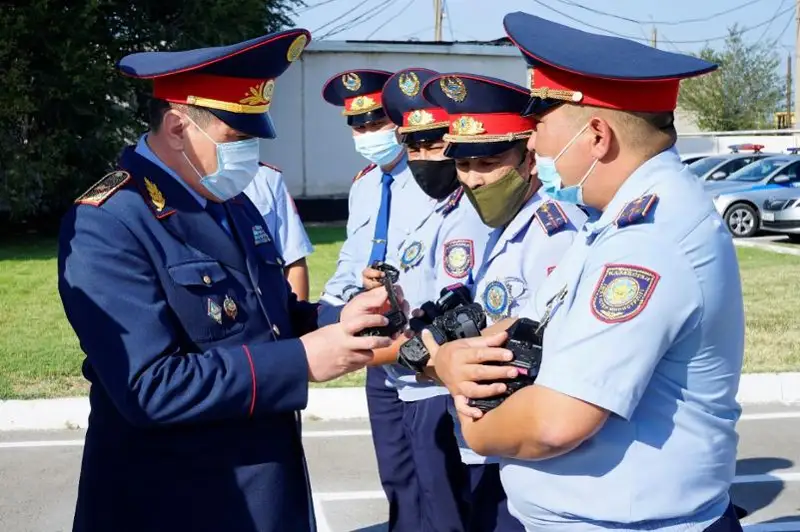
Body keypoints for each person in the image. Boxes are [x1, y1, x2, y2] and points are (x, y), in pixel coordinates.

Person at [58, 30, 399, 532]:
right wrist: (302, 361)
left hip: (267, 483)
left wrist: (339, 319)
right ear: (177, 126)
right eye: (237, 139)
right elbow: (149, 387)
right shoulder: (110, 220)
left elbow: (269, 314)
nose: (248, 153)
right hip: (177, 499)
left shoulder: (227, 198)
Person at [431, 12, 745, 532]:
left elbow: (555, 424)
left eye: (542, 126)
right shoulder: (618, 219)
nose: (532, 145)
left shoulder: (646, 242)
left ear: (597, 136)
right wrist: (464, 354)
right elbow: (534, 325)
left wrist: (472, 420)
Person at [422, 72, 586, 531]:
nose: (474, 178)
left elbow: (549, 353)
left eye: (490, 161)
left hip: (527, 444)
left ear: (528, 158)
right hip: (492, 438)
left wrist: (449, 360)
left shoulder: (556, 233)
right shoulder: (500, 227)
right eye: (463, 164)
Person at [358, 67, 495, 531]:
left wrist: (378, 349)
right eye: (412, 146)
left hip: (438, 385)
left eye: (433, 144)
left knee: (448, 512)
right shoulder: (439, 210)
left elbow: (460, 315)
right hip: (409, 380)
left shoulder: (474, 216)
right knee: (415, 506)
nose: (421, 158)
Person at [320, 68, 447, 531]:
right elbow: (347, 267)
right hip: (379, 353)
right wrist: (351, 295)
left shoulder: (438, 181)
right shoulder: (365, 185)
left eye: (377, 123)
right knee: (397, 477)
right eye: (358, 127)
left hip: (426, 353)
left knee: (440, 485)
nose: (368, 135)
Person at [244, 162, 314, 300]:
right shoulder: (189, 186)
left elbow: (293, 259)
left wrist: (297, 319)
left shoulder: (267, 177)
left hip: (265, 311)